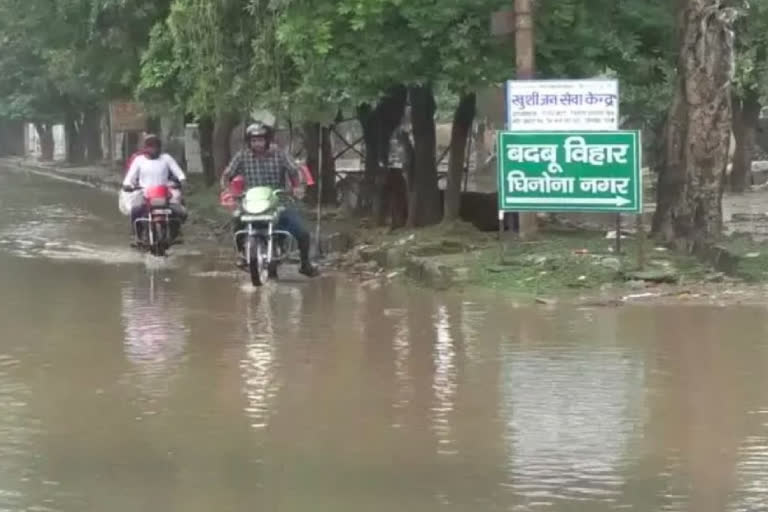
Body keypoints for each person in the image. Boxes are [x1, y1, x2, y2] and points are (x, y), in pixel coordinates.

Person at [220, 121, 318, 277]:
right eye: (253, 140)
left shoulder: (280, 154)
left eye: (260, 140)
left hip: (278, 201)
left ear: (267, 140)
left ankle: (305, 264)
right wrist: (228, 190)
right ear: (249, 142)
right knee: (237, 221)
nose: (257, 143)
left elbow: (294, 171)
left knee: (303, 232)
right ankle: (242, 255)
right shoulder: (242, 156)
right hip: (250, 203)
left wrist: (298, 187)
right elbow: (227, 175)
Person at [123, 134, 187, 238]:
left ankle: (176, 231)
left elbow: (178, 172)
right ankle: (135, 232)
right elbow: (129, 177)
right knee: (135, 210)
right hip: (144, 193)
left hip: (165, 192)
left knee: (180, 212)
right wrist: (127, 185)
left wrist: (182, 180)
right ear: (145, 148)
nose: (154, 149)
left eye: (156, 146)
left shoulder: (166, 158)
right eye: (151, 146)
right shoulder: (139, 160)